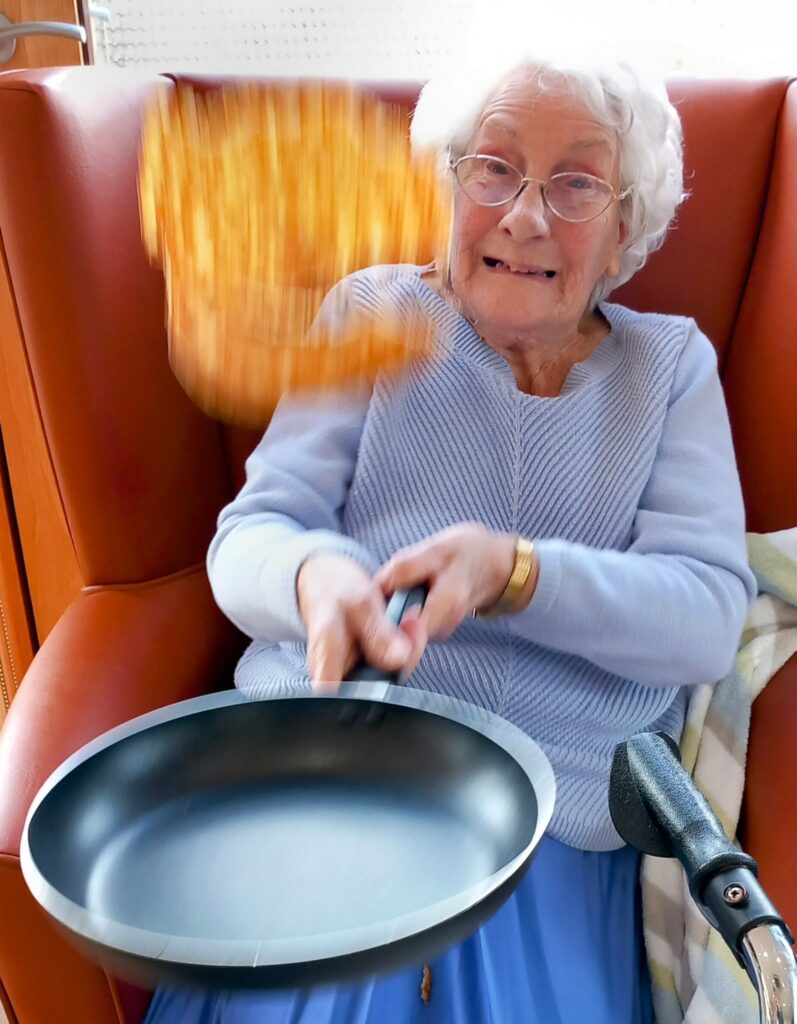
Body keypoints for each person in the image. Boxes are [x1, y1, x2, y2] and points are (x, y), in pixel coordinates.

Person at [145, 50, 756, 1024]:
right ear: (448, 184)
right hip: (340, 778)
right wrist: (315, 578)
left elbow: (701, 619)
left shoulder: (668, 368)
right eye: (493, 168)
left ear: (623, 228)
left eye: (575, 184)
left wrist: (515, 572)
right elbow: (252, 531)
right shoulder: (372, 313)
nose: (521, 215)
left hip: (553, 822)